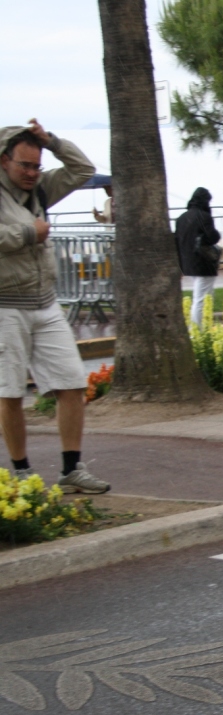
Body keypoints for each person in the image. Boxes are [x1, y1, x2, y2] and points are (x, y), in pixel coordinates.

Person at [0, 120, 109, 493]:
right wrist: (29, 232)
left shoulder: (41, 189)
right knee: (11, 390)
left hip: (44, 302)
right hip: (5, 305)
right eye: (24, 166)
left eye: (36, 165)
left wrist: (53, 141)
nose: (32, 173)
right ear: (3, 161)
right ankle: (19, 472)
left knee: (71, 382)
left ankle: (71, 469)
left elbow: (83, 170)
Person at [176, 187, 221, 326]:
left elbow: (177, 242)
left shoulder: (181, 218)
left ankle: (205, 325)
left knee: (206, 296)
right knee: (201, 299)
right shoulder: (203, 216)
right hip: (204, 262)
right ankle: (196, 331)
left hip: (188, 262)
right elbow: (213, 237)